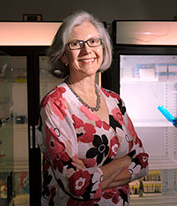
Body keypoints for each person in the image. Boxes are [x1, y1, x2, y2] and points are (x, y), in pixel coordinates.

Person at [38, 10, 149, 206]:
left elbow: (143, 163)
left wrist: (92, 177)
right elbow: (76, 185)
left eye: (93, 41)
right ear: (63, 56)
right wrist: (125, 160)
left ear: (103, 48)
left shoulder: (115, 101)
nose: (87, 50)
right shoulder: (56, 103)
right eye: (75, 44)